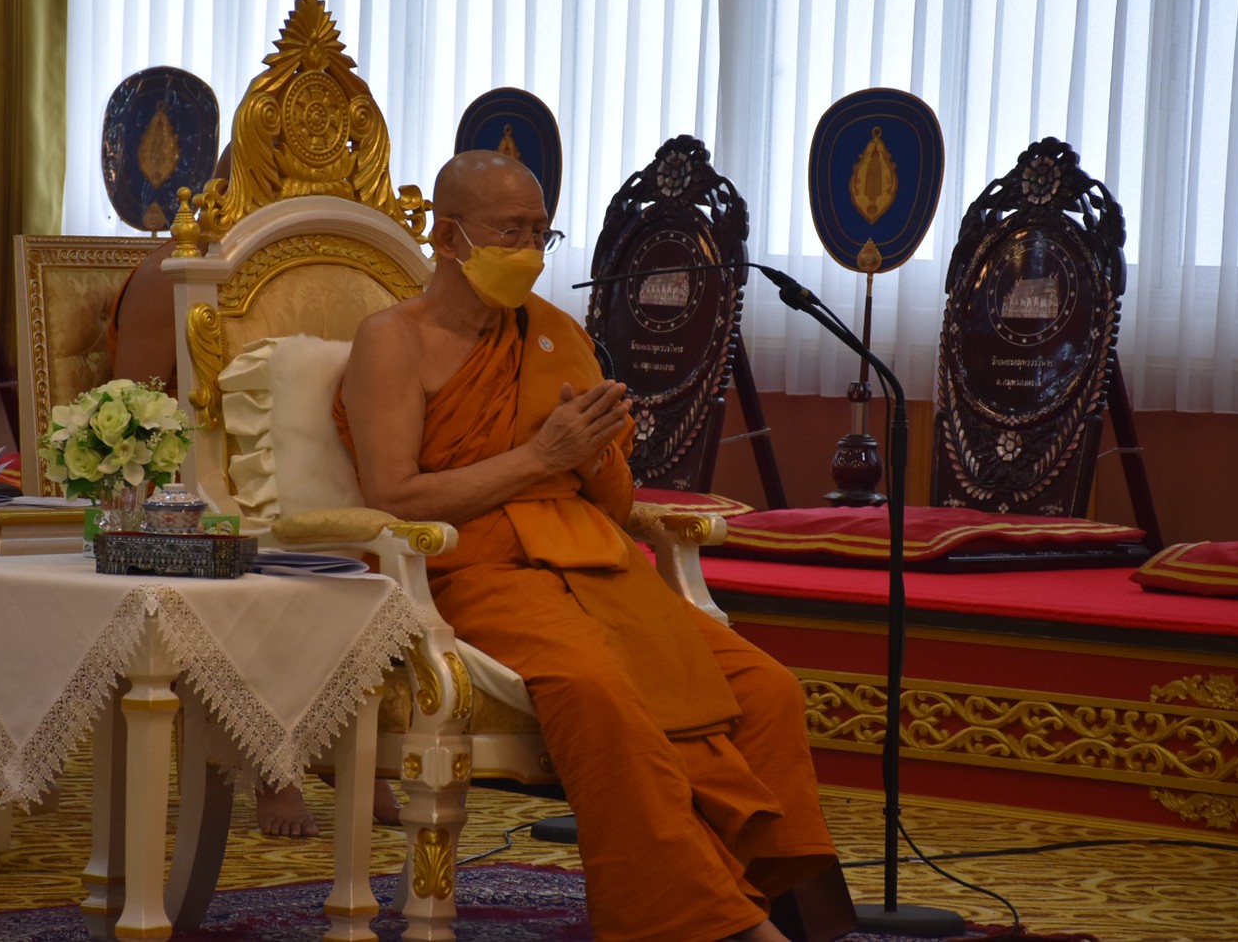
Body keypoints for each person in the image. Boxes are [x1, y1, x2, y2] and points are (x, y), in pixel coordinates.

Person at [335, 151, 858, 941]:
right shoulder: (392, 340)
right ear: (448, 237)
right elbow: (394, 497)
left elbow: (610, 503)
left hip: (595, 562)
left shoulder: (553, 335)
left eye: (540, 233)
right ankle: (711, 924)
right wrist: (540, 458)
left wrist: (594, 456)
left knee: (766, 688)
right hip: (477, 567)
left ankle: (771, 896)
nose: (530, 252)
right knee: (599, 691)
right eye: (509, 232)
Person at [108, 146, 399, 838]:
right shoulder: (174, 271)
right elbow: (131, 410)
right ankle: (277, 761)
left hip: (311, 463)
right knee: (262, 536)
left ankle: (359, 747)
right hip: (189, 474)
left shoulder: (348, 264)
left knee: (376, 540)